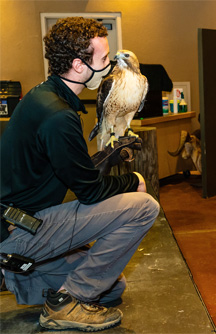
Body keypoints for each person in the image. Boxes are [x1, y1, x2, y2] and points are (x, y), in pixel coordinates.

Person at [0, 17, 160, 331]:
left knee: (112, 288)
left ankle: (15, 274)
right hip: (17, 231)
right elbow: (89, 191)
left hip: (20, 223)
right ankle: (65, 303)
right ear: (78, 65)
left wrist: (104, 158)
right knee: (144, 207)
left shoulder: (43, 96)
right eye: (103, 59)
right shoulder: (58, 115)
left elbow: (69, 170)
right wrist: (134, 180)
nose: (109, 64)